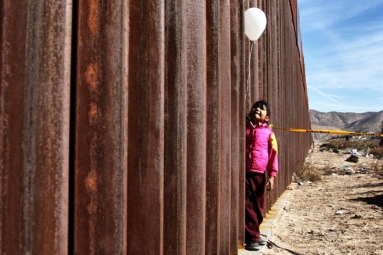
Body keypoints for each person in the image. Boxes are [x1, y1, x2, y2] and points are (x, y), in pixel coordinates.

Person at [245, 100, 279, 251]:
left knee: (258, 207)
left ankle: (255, 233)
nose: (257, 109)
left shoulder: (269, 134)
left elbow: (273, 155)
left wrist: (272, 175)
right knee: (248, 205)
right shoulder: (243, 128)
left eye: (262, 109)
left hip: (259, 174)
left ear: (267, 118)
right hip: (244, 173)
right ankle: (252, 237)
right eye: (255, 107)